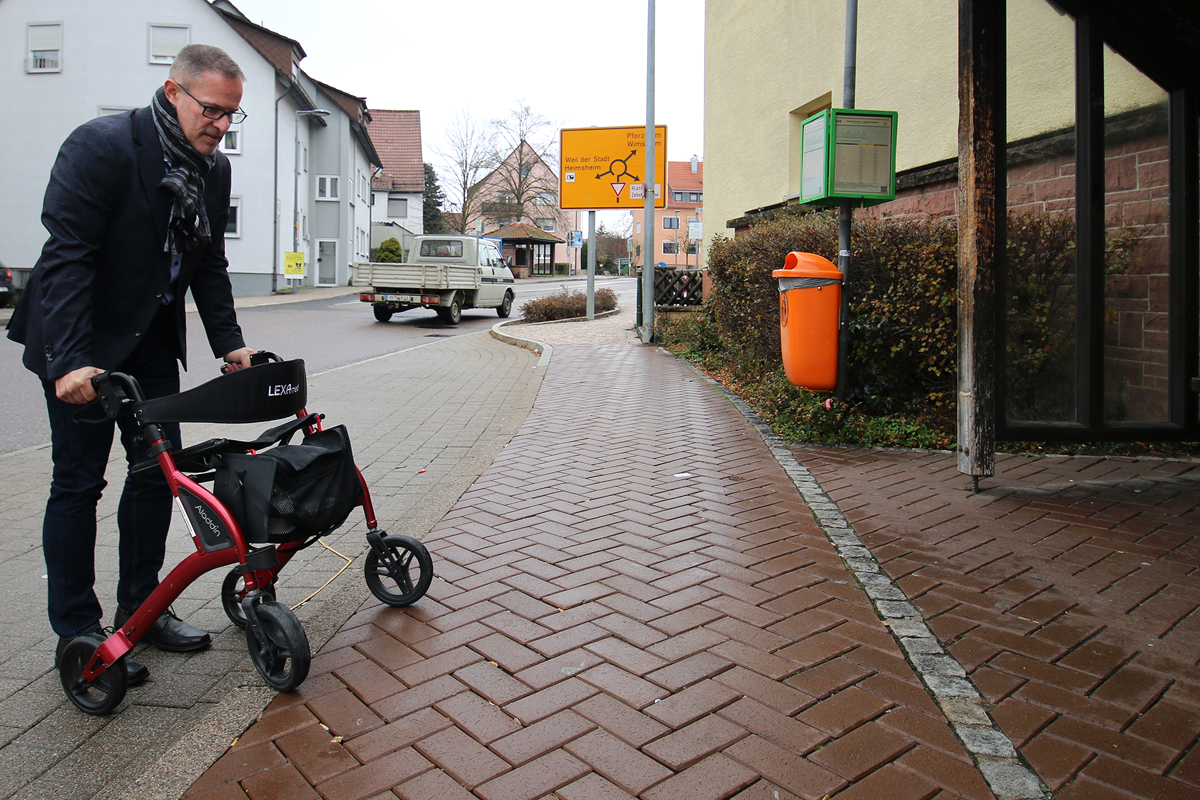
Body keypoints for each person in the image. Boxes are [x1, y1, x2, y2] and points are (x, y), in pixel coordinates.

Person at [6, 44, 256, 685]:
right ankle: (79, 632)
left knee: (155, 478)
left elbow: (207, 264)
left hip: (147, 344)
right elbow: (67, 258)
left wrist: (230, 343)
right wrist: (70, 362)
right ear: (174, 92)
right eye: (213, 111)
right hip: (79, 342)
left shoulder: (212, 170)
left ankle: (143, 611)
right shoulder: (102, 146)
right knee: (79, 483)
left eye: (233, 115)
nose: (222, 126)